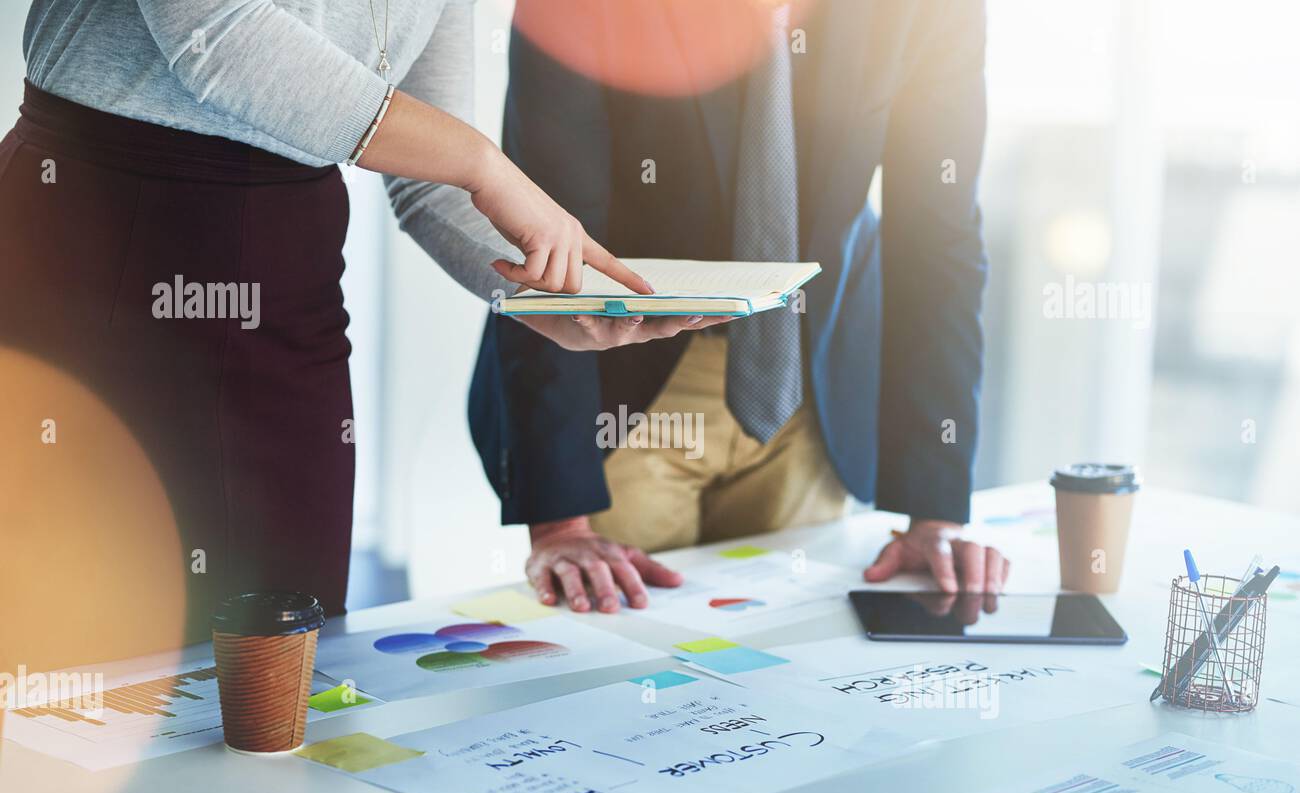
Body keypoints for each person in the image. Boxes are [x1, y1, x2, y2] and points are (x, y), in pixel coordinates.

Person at [0, 0, 731, 643]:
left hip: (290, 267)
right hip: (96, 241)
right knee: (82, 642)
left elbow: (429, 179)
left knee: (286, 646)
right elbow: (215, 33)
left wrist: (551, 302)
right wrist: (481, 162)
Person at [469, 0, 1010, 614]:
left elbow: (938, 239)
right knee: (618, 650)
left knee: (791, 665)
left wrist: (933, 513)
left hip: (805, 386)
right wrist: (561, 523)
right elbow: (547, 233)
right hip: (622, 384)